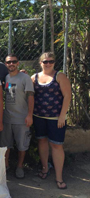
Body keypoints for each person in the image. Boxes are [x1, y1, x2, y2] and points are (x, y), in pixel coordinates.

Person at [31, 52, 71, 189]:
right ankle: (44, 169)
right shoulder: (34, 77)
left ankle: (59, 177)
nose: (48, 64)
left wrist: (62, 116)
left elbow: (67, 96)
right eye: (45, 61)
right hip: (38, 116)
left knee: (56, 146)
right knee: (42, 142)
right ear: (40, 62)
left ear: (54, 62)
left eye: (51, 61)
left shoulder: (60, 76)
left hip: (56, 118)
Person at [0, 54, 34, 179]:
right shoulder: (6, 78)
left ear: (18, 63)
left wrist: (29, 115)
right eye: (8, 62)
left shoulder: (25, 78)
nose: (11, 64)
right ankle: (6, 165)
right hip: (7, 118)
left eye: (14, 62)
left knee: (22, 145)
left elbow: (31, 96)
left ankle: (20, 167)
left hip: (22, 118)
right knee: (6, 145)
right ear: (6, 64)